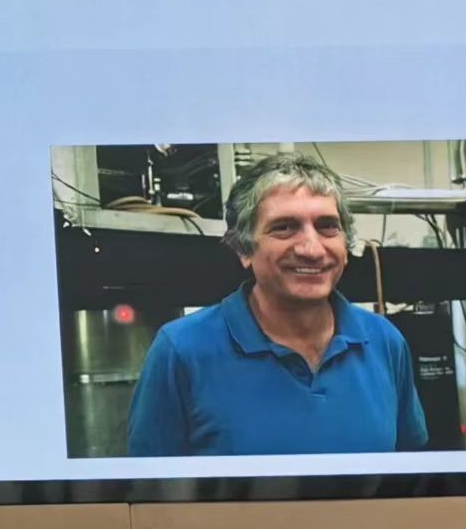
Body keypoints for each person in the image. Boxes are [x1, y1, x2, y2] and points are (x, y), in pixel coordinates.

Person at [127, 152, 427, 457]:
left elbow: (407, 469)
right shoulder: (181, 350)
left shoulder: (383, 341)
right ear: (243, 249)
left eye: (327, 226)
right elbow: (150, 482)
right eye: (284, 227)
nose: (312, 249)